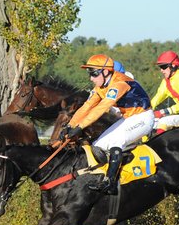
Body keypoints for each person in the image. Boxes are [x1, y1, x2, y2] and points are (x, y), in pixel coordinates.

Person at [58, 54, 153, 194]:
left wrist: (80, 127)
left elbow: (101, 108)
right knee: (98, 145)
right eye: (90, 74)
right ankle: (109, 175)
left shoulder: (119, 83)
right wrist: (69, 126)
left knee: (116, 141)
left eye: (94, 74)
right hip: (128, 119)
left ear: (106, 71)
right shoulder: (100, 87)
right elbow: (87, 106)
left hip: (144, 118)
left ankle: (110, 182)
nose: (91, 78)